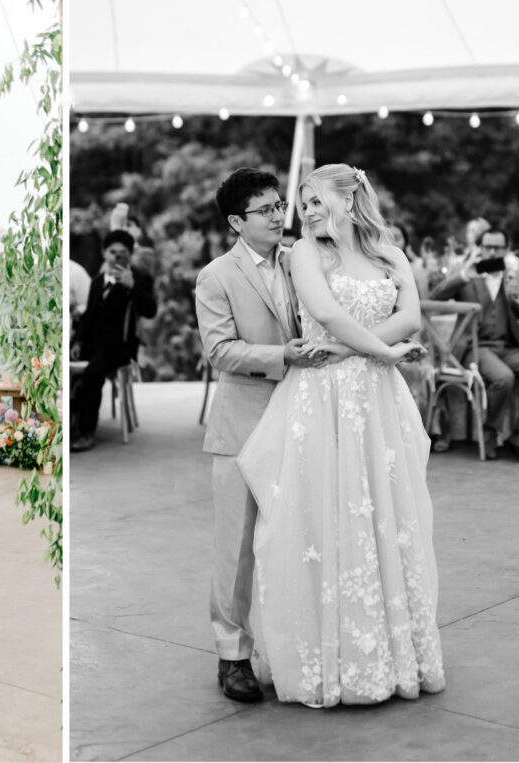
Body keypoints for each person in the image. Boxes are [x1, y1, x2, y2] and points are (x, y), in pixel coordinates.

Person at [236, 164, 444, 707]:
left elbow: (411, 317)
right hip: (321, 401)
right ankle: (329, 658)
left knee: (385, 516)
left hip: (374, 396)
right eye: (300, 203)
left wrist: (359, 351)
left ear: (349, 200)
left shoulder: (387, 251)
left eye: (312, 200)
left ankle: (391, 655)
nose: (302, 212)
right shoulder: (306, 253)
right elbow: (323, 311)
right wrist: (385, 350)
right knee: (323, 517)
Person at [195, 168, 325, 703]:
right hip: (243, 425)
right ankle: (232, 657)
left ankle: (292, 645)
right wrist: (281, 357)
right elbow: (219, 351)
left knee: (299, 535)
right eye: (265, 210)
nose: (278, 216)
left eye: (279, 206)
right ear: (236, 222)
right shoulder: (215, 277)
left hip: (303, 416)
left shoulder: (300, 262)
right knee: (238, 547)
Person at [430, 228, 519, 461]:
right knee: (504, 378)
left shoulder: (512, 275)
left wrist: (518, 298)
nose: (491, 251)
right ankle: (489, 430)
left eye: (497, 247)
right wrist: (465, 276)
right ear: (480, 248)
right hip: (475, 348)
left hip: (507, 347)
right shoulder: (468, 273)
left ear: (505, 250)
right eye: (487, 247)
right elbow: (435, 296)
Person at [71, 230, 157, 452]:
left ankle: (87, 432)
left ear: (130, 254)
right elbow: (89, 316)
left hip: (120, 345)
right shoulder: (98, 281)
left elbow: (150, 311)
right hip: (93, 344)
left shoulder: (139, 277)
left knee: (92, 373)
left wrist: (132, 287)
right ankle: (72, 424)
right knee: (69, 369)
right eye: (112, 252)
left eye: (123, 253)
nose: (117, 257)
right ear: (103, 253)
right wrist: (79, 342)